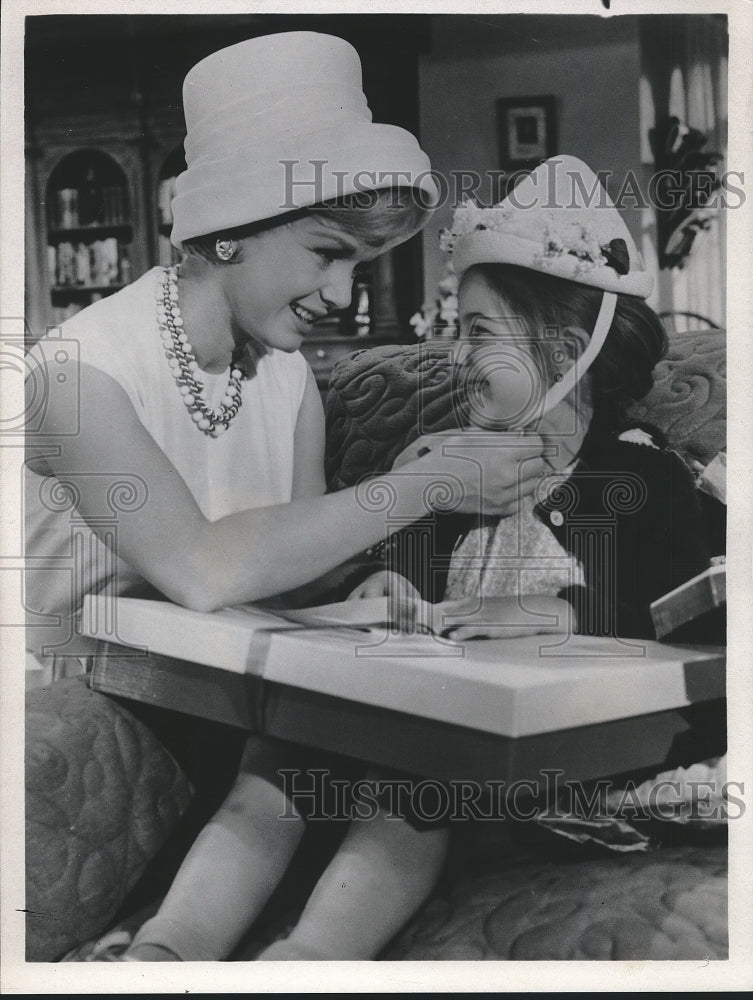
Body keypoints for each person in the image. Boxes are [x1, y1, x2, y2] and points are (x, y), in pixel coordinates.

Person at [26, 32, 548, 961]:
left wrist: (362, 604)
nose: (342, 294)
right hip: (71, 729)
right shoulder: (73, 372)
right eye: (324, 253)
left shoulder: (287, 381)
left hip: (220, 708)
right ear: (228, 225)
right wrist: (417, 486)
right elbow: (199, 567)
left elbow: (277, 586)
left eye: (359, 262)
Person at [381, 155, 714, 641]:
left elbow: (698, 627)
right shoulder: (457, 469)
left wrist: (568, 613)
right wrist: (389, 583)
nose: (456, 357)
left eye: (480, 332)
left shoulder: (649, 478)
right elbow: (409, 570)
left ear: (564, 353)